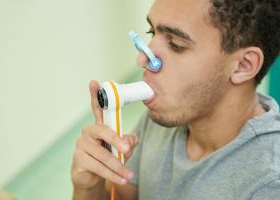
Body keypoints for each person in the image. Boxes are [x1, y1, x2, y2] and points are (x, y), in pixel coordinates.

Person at [71, 0, 280, 199]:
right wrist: (90, 187)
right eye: (152, 33)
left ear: (244, 65)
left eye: (176, 44)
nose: (142, 59)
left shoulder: (269, 184)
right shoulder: (163, 117)